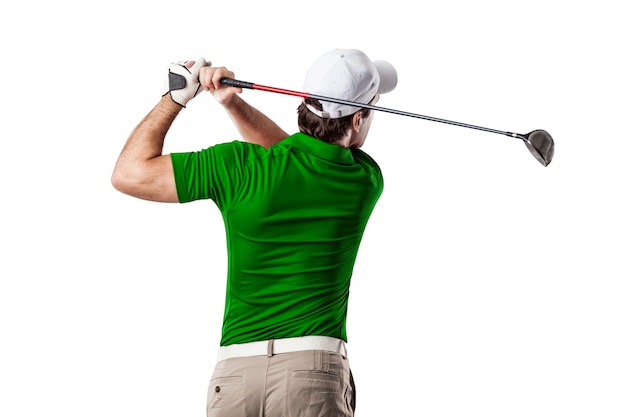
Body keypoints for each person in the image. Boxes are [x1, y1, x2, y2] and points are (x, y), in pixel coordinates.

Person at [111, 48, 398, 417]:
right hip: (315, 371)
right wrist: (232, 105)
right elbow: (295, 157)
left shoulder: (239, 167)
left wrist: (177, 97)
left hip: (235, 373)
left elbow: (129, 174)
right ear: (357, 119)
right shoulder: (363, 179)